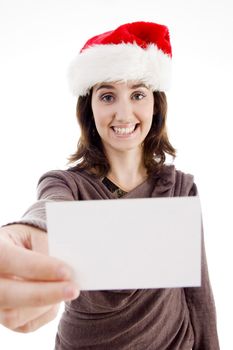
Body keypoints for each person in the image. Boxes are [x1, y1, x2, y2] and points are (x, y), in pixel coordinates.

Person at [0, 21, 219, 349]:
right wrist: (30, 231)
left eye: (138, 94)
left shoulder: (179, 187)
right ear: (89, 107)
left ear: (155, 104)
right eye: (107, 96)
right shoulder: (66, 184)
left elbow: (198, 296)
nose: (123, 112)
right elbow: (49, 209)